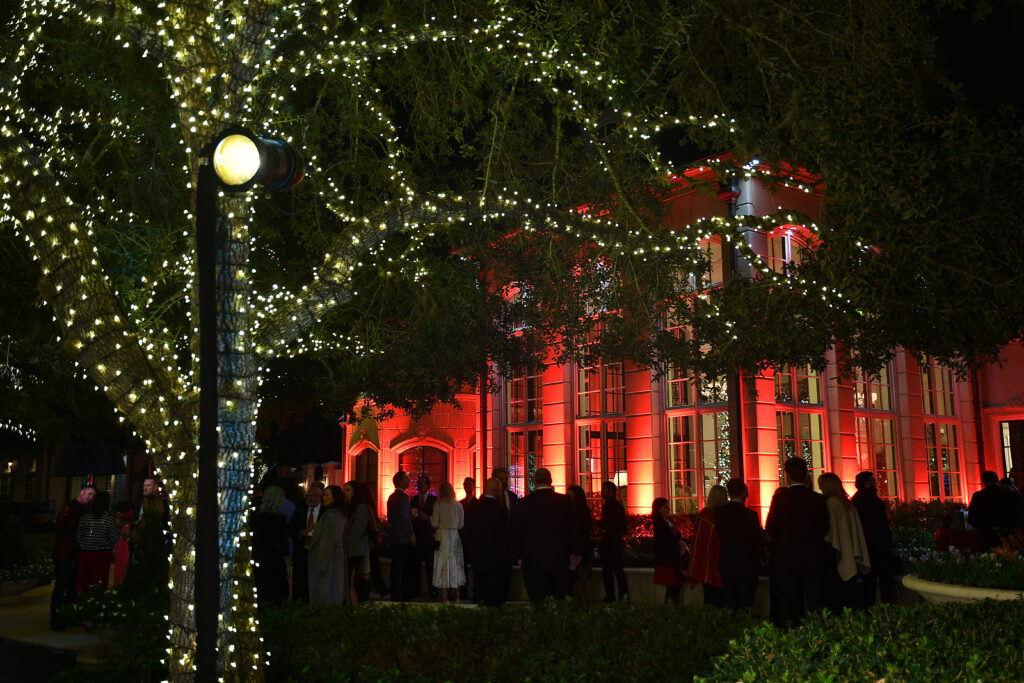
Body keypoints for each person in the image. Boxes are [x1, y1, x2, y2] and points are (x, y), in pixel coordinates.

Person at [766, 457, 829, 627]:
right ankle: (819, 638)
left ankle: (792, 638)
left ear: (787, 476)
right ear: (806, 475)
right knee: (815, 602)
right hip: (812, 556)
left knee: (789, 603)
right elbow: (825, 527)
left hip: (787, 557)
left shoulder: (780, 499)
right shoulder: (818, 499)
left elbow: (770, 527)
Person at [511, 468, 582, 603]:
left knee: (538, 601)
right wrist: (576, 552)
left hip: (533, 559)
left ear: (534, 481)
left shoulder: (524, 503)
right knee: (561, 599)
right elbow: (574, 529)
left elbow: (517, 531)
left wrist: (519, 556)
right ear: (550, 481)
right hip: (560, 558)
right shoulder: (564, 501)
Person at [818, 472, 870, 612]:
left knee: (835, 599)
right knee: (848, 599)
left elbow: (829, 534)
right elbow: (853, 534)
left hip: (834, 556)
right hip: (848, 556)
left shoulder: (829, 505)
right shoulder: (848, 504)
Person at [51, 484, 95, 630]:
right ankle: (56, 619)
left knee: (71, 587)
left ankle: (66, 616)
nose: (90, 498)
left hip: (72, 552)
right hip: (65, 553)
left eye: (92, 496)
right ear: (82, 493)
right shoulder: (70, 508)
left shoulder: (80, 509)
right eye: (89, 494)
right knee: (62, 586)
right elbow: (61, 526)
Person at [851, 471, 898, 606]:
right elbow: (883, 526)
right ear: (865, 483)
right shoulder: (874, 500)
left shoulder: (855, 500)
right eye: (872, 480)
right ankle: (887, 607)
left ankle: (869, 608)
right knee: (885, 580)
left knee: (868, 581)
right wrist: (891, 545)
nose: (874, 482)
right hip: (880, 546)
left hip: (865, 545)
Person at [715, 478, 763, 610]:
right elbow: (756, 539)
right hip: (746, 564)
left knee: (730, 601)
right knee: (745, 602)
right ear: (744, 493)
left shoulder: (719, 513)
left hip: (727, 562)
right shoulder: (750, 515)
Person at [467, 477, 511, 606]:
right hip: (495, 559)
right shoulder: (500, 510)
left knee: (479, 589)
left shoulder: (474, 508)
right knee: (493, 593)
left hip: (477, 556)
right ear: (498, 490)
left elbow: (468, 531)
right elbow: (504, 536)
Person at [305, 484, 346, 605]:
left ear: (335, 498)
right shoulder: (341, 514)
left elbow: (327, 541)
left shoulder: (329, 516)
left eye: (327, 495)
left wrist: (321, 565)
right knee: (334, 589)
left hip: (327, 560)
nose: (323, 498)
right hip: (336, 557)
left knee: (325, 591)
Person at [75, 490, 121, 597]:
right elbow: (114, 538)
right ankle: (96, 605)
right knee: (99, 583)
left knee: (83, 583)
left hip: (84, 554)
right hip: (101, 554)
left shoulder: (85, 518)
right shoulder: (108, 519)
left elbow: (79, 536)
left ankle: (82, 604)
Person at [688, 484, 727, 607]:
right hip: (715, 563)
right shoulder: (718, 517)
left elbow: (698, 541)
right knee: (718, 599)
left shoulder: (703, 516)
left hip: (705, 563)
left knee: (710, 598)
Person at [252, 485, 289, 607]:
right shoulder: (279, 519)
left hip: (259, 556)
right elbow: (284, 543)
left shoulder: (257, 517)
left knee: (262, 588)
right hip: (275, 558)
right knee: (276, 590)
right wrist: (288, 563)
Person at [968, 470, 1022, 552]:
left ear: (983, 482)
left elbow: (972, 519)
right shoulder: (1012, 495)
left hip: (986, 537)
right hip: (1009, 536)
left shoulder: (978, 497)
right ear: (997, 480)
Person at [431, 481, 466, 603]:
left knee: (443, 565)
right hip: (455, 536)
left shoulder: (438, 505)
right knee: (456, 565)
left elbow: (434, 523)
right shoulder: (459, 506)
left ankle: (445, 597)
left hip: (443, 536)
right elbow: (461, 525)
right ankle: (457, 597)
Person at [288, 482, 324, 601]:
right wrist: (301, 532)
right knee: (300, 580)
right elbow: (290, 529)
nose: (310, 499)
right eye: (308, 496)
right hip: (302, 551)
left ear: (320, 497)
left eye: (313, 496)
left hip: (318, 551)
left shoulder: (325, 512)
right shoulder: (300, 510)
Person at [597, 481, 629, 603]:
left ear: (611, 491)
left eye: (604, 489)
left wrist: (600, 524)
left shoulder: (610, 507)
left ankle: (612, 596)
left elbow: (612, 525)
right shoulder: (616, 506)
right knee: (616, 571)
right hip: (614, 542)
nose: (602, 492)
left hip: (611, 543)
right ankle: (622, 596)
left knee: (610, 572)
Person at [387, 471, 416, 601]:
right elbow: (405, 518)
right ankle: (404, 595)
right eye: (406, 479)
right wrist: (411, 534)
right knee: (405, 568)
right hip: (403, 538)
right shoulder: (403, 497)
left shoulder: (391, 497)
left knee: (395, 567)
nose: (409, 481)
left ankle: (394, 594)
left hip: (394, 537)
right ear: (399, 481)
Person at [651, 497, 686, 605]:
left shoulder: (668, 520)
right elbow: (665, 541)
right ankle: (670, 608)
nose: (668, 509)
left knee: (675, 586)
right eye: (665, 507)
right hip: (668, 560)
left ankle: (671, 607)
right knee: (672, 586)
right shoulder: (659, 523)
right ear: (659, 509)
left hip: (674, 558)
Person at [342, 480, 371, 604]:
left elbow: (358, 530)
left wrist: (346, 544)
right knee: (348, 581)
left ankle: (356, 605)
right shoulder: (347, 507)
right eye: (345, 490)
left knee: (352, 581)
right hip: (348, 548)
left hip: (355, 549)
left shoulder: (360, 507)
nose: (345, 493)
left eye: (348, 490)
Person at [410, 474, 438, 599]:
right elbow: (410, 516)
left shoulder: (434, 500)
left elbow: (437, 517)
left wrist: (428, 518)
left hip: (428, 537)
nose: (420, 485)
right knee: (415, 566)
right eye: (418, 483)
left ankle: (433, 591)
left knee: (430, 565)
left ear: (428, 486)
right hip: (417, 536)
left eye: (422, 483)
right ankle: (416, 591)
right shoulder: (414, 500)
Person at [566, 485, 594, 607]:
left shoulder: (581, 513)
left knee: (580, 587)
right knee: (574, 587)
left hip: (581, 555)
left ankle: (584, 615)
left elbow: (582, 534)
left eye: (569, 496)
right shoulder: (571, 512)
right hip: (575, 554)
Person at [360, 482, 388, 598]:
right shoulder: (370, 505)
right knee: (373, 566)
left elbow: (371, 524)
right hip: (371, 540)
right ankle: (381, 589)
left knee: (368, 567)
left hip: (366, 540)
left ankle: (369, 592)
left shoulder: (364, 507)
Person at [460, 477, 478, 601]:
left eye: (470, 484)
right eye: (466, 485)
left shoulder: (478, 503)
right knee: (463, 566)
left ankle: (476, 591)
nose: (468, 487)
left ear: (473, 486)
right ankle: (463, 591)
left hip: (474, 539)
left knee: (476, 567)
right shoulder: (460, 503)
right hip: (463, 538)